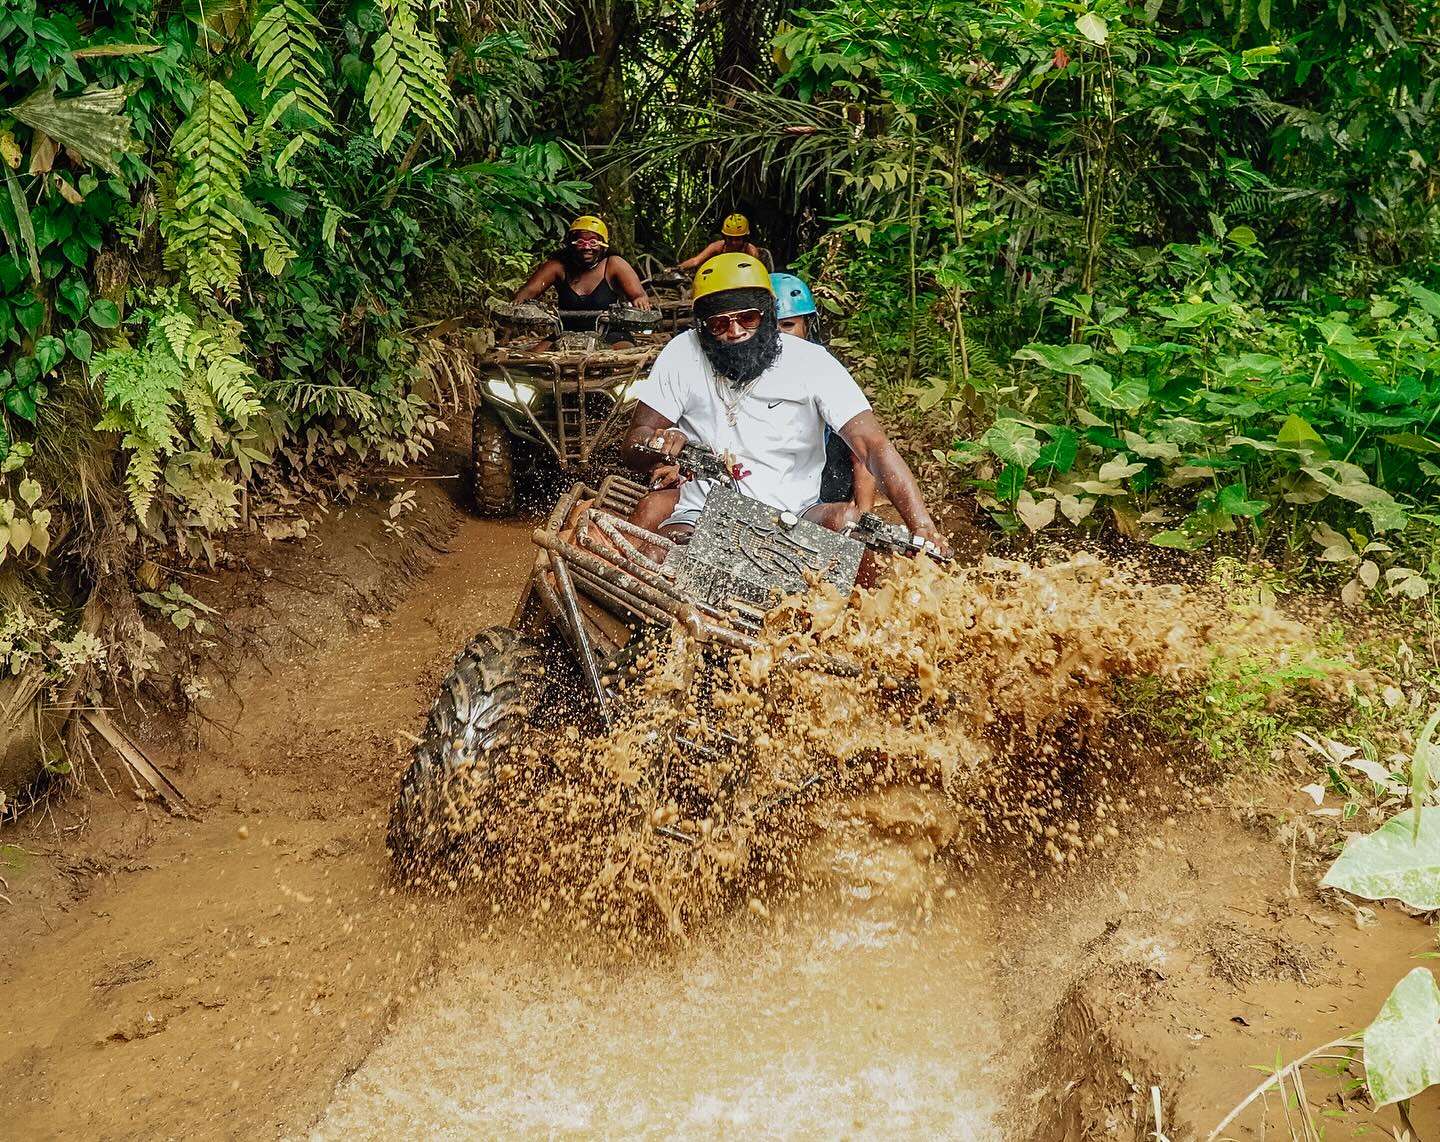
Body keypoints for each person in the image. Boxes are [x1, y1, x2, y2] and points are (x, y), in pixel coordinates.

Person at [620, 253, 949, 556]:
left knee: (851, 525)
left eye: (748, 318)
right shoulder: (682, 354)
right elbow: (637, 438)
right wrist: (656, 443)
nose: (735, 332)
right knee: (661, 554)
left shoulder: (812, 363)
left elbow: (873, 446)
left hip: (795, 515)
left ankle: (865, 614)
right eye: (719, 324)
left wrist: (921, 526)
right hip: (702, 510)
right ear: (702, 326)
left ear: (768, 315)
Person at [770, 271, 877, 515]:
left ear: (807, 326)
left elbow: (863, 453)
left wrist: (863, 516)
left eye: (788, 326)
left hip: (822, 488)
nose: (779, 338)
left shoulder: (824, 372)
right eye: (770, 327)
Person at [513, 215, 651, 334]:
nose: (586, 247)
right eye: (580, 242)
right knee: (533, 361)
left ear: (603, 246)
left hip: (610, 333)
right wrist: (516, 306)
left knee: (624, 360)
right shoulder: (558, 266)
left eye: (593, 242)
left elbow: (638, 296)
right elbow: (529, 291)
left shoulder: (614, 264)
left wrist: (641, 304)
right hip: (566, 335)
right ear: (571, 244)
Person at [677, 214, 764, 273]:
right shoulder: (718, 247)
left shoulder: (750, 251)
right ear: (724, 237)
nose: (733, 242)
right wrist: (679, 268)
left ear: (745, 238)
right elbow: (696, 261)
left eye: (738, 239)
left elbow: (756, 271)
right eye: (730, 238)